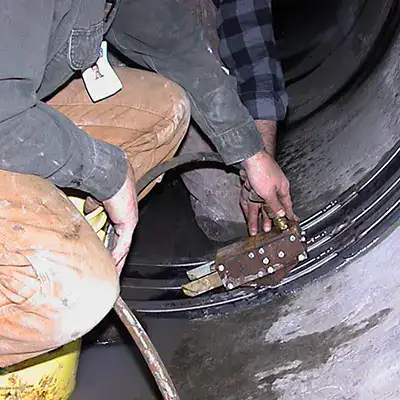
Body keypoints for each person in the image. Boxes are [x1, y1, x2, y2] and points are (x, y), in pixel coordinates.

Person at [0, 0, 292, 367]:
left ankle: (67, 239)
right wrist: (103, 171)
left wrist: (252, 154)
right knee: (80, 298)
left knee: (166, 107)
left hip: (16, 106)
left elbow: (171, 38)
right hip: (5, 115)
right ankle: (47, 285)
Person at [108, 0, 293, 241]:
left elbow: (250, 39)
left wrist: (257, 157)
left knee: (232, 217)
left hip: (178, 37)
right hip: (88, 40)